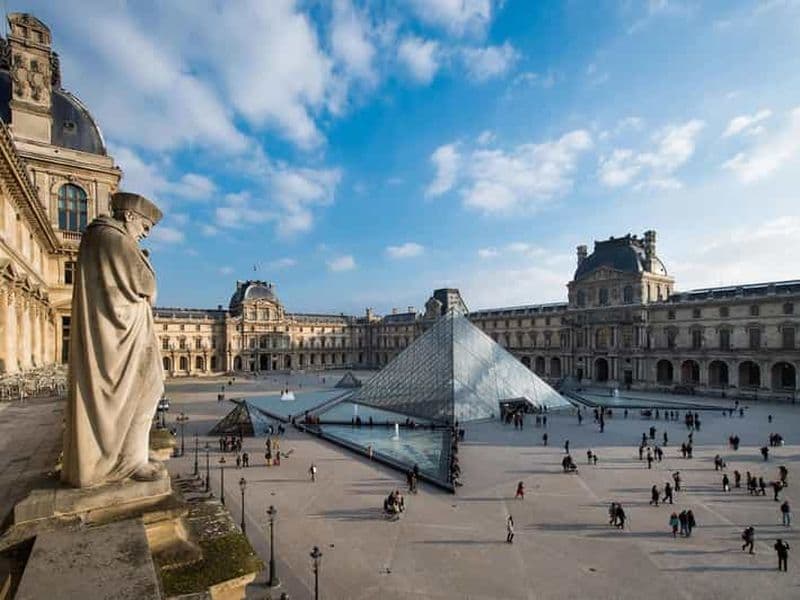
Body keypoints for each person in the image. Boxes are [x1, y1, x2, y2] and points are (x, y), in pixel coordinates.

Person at [61, 192, 166, 487]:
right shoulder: (113, 239)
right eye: (145, 226)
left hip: (119, 332)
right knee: (146, 390)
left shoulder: (100, 237)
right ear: (130, 215)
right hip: (119, 336)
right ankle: (129, 461)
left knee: (145, 390)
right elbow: (147, 284)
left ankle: (129, 458)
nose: (145, 234)